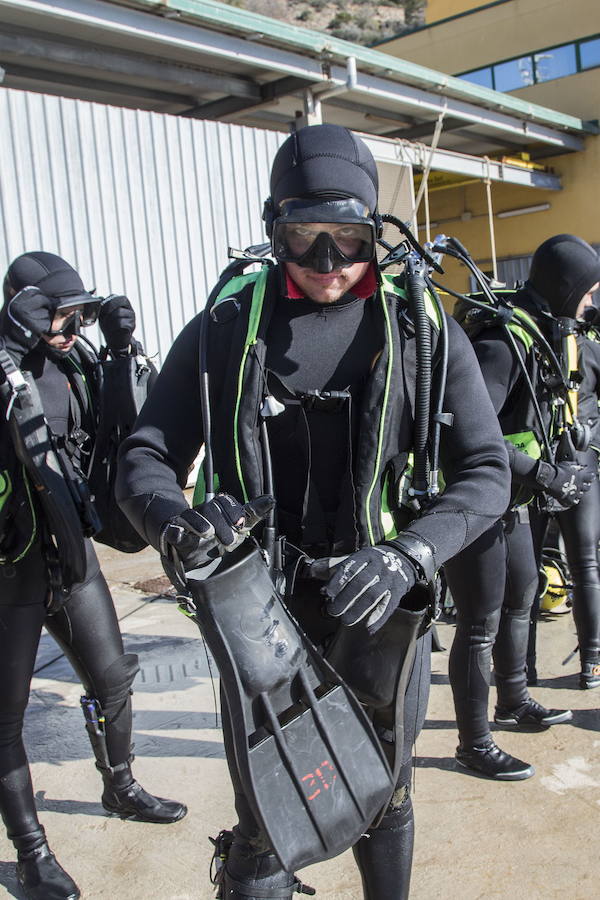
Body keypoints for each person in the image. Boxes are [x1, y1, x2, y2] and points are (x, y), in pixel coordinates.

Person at [116, 123, 510, 900]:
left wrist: (413, 554)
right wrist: (170, 519)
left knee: (387, 792)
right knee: (271, 804)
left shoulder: (421, 329)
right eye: (305, 238)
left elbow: (488, 471)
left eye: (349, 238)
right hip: (259, 607)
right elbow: (144, 457)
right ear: (275, 230)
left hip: (383, 600)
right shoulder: (226, 331)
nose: (328, 264)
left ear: (377, 230)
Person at [0, 252, 187, 900]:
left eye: (79, 312)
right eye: (61, 312)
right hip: (11, 571)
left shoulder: (72, 363)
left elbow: (114, 436)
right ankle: (32, 855)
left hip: (73, 558)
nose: (70, 324)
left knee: (113, 680)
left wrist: (118, 352)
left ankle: (121, 786)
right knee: (6, 720)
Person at [445, 233, 599, 781]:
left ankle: (512, 700)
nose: (590, 305)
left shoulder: (538, 333)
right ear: (565, 287)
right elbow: (475, 430)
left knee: (523, 595)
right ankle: (474, 742)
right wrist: (546, 475)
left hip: (511, 499)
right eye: (587, 293)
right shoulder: (502, 342)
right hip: (476, 497)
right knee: (479, 619)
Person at [530, 238, 600, 689]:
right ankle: (589, 661)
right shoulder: (526, 341)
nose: (592, 301)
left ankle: (526, 674)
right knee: (583, 564)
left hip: (559, 469)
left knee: (567, 567)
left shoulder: (529, 338)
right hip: (549, 472)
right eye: (589, 292)